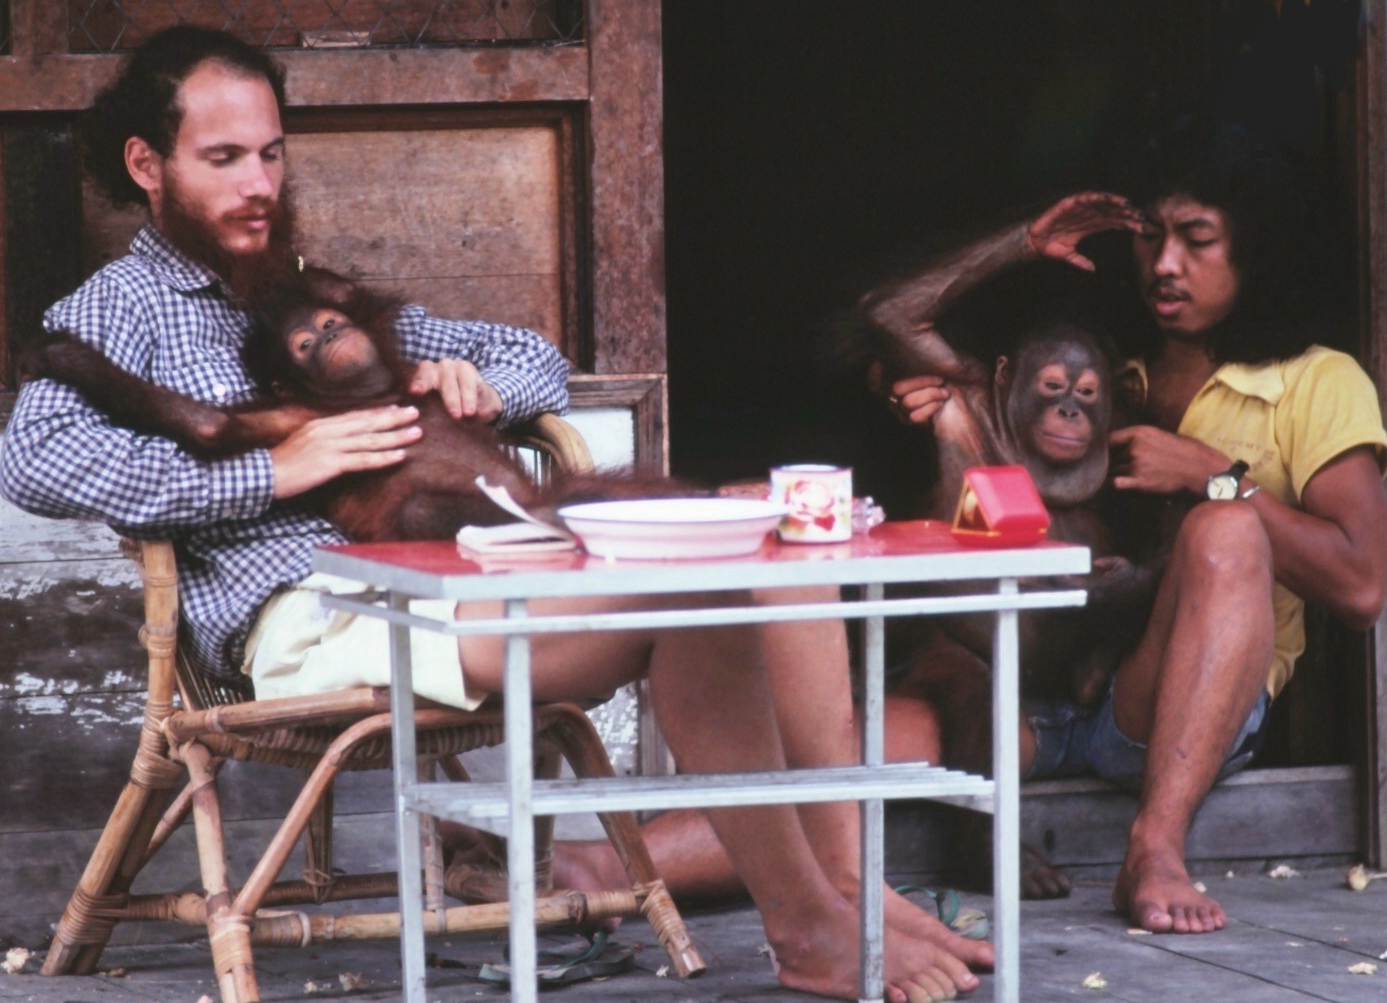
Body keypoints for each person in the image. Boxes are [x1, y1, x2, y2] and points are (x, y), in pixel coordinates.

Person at [0, 26, 988, 1002]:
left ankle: (839, 888)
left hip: (452, 574)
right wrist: (274, 473)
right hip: (304, 614)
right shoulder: (116, 310)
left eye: (270, 153)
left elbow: (537, 361)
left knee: (753, 541)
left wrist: (462, 379)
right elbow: (31, 458)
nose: (259, 183)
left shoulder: (302, 289)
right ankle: (812, 921)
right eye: (223, 159)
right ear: (148, 164)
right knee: (696, 591)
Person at [881, 128, 1387, 934]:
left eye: (1195, 240)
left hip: (1162, 712)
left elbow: (1362, 586)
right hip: (1027, 699)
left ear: (1253, 251)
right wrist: (1015, 256)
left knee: (1223, 529)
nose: (1163, 264)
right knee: (844, 751)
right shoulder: (1103, 373)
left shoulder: (1316, 381)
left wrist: (1210, 474)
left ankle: (1154, 847)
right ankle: (622, 864)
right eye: (1149, 237)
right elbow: (897, 320)